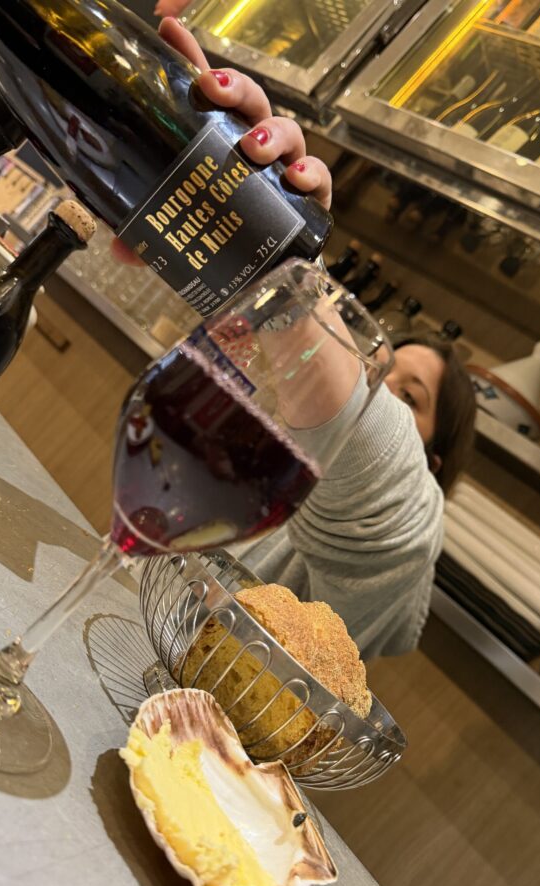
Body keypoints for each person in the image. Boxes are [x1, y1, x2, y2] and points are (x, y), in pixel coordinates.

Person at [116, 18, 477, 658]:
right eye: (378, 368)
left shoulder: (403, 554)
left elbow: (383, 485)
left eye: (407, 397)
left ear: (433, 462)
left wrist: (281, 272)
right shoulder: (256, 455)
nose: (377, 389)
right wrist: (242, 226)